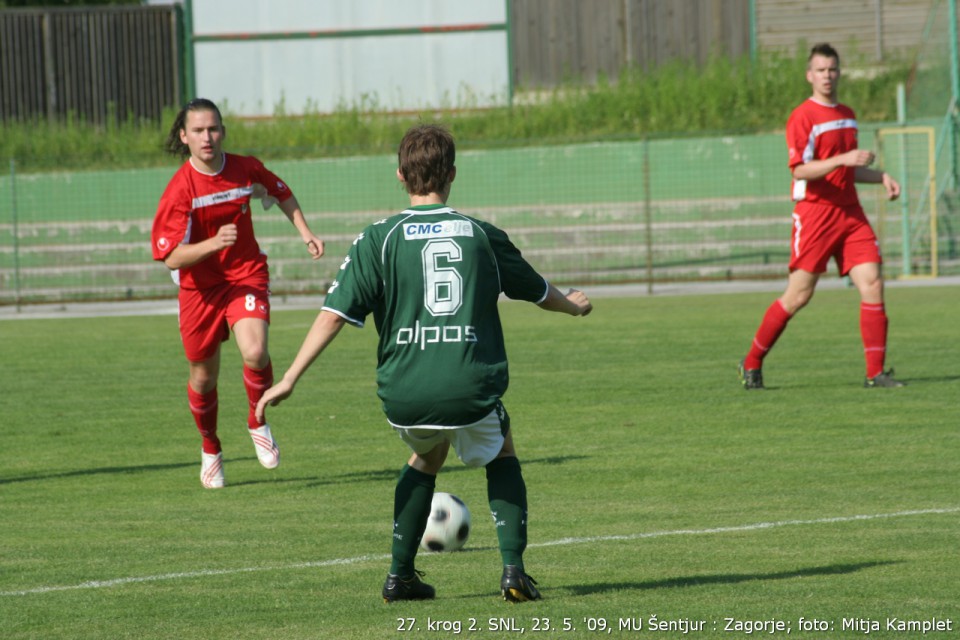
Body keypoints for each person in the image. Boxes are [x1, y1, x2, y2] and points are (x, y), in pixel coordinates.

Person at [255, 124, 592, 603]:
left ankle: (400, 576)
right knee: (501, 450)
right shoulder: (480, 234)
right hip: (467, 384)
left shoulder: (378, 239)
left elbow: (334, 315)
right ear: (452, 174)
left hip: (404, 392)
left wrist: (289, 377)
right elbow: (538, 291)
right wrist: (574, 305)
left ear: (399, 175)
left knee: (429, 453)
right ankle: (514, 571)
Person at [151, 98, 325, 488]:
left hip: (244, 275)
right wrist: (212, 244)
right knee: (202, 377)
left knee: (255, 350)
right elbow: (170, 257)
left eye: (213, 128)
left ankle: (257, 420)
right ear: (184, 136)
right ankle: (210, 447)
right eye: (198, 130)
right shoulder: (180, 190)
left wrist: (306, 232)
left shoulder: (244, 169)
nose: (207, 137)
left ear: (223, 131)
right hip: (199, 289)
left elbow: (280, 190)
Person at [738, 43, 904, 390]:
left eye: (833, 69)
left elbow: (847, 170)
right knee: (799, 295)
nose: (827, 75)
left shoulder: (847, 113)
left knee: (872, 282)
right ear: (809, 75)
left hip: (850, 212)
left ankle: (876, 373)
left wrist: (880, 176)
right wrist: (843, 159)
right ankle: (752, 361)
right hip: (815, 214)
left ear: (838, 73)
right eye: (821, 70)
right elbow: (800, 170)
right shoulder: (803, 116)